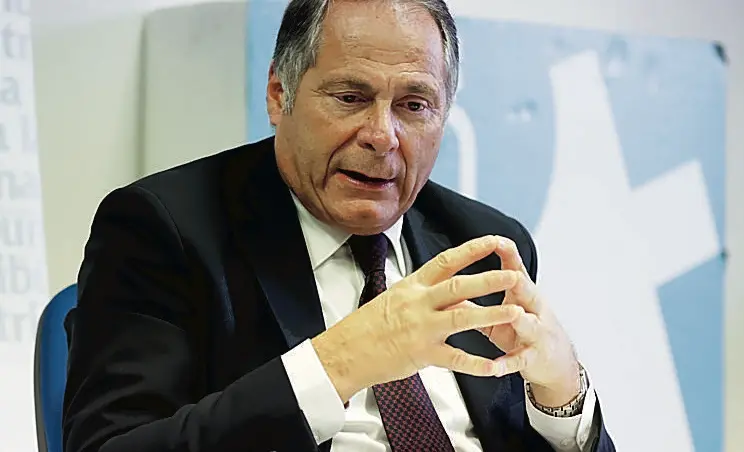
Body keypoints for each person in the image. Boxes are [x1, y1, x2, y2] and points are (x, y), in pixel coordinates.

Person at [62, 0, 617, 451]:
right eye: (351, 98)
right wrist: (342, 361)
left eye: (414, 105)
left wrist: (562, 397)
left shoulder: (484, 245)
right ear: (279, 94)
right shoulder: (165, 229)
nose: (382, 136)